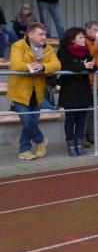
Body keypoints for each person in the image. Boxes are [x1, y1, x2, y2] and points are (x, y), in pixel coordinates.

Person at [7, 22, 61, 160]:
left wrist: (42, 66)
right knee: (27, 121)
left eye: (45, 34)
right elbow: (16, 65)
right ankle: (40, 140)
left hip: (37, 93)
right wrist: (34, 67)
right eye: (41, 34)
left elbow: (57, 64)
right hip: (19, 92)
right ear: (30, 35)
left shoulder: (48, 48)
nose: (44, 37)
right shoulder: (17, 46)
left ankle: (24, 150)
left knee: (32, 123)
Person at [57, 27, 96, 156]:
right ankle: (71, 144)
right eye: (80, 37)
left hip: (83, 90)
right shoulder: (63, 52)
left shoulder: (86, 51)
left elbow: (93, 67)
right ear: (72, 39)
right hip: (69, 91)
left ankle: (79, 143)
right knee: (70, 119)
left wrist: (92, 65)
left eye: (83, 37)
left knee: (81, 119)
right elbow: (65, 67)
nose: (83, 39)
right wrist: (83, 66)